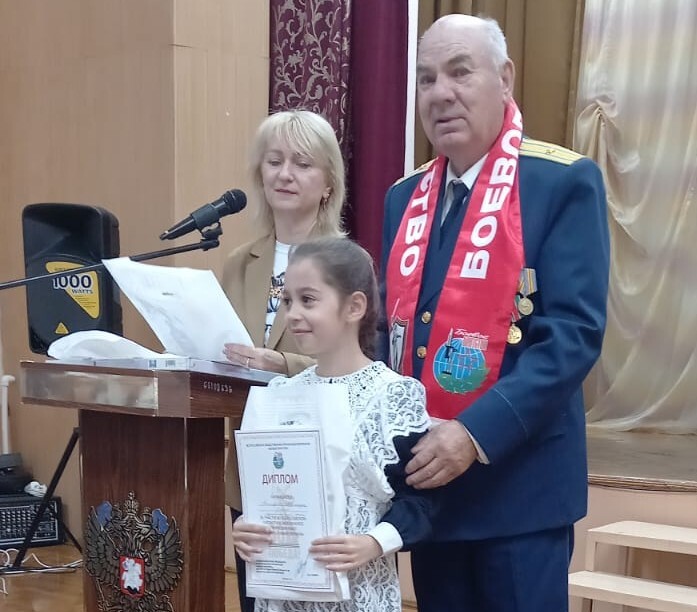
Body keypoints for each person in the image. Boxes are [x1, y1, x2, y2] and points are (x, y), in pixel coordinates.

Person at [379, 14, 610, 612]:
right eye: (427, 79)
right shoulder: (403, 199)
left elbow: (572, 336)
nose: (441, 93)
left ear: (504, 79)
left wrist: (475, 433)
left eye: (460, 72)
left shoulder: (560, 182)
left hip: (520, 490)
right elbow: (392, 335)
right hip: (433, 491)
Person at [233, 237, 436, 612]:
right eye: (287, 301)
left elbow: (423, 501)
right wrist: (246, 528)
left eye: (308, 300)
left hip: (358, 594)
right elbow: (270, 496)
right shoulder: (277, 394)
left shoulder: (393, 395)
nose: (292, 314)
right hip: (284, 596)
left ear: (354, 306)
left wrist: (373, 542)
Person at [221, 110, 345, 612]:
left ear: (328, 182)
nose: (284, 174)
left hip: (320, 459)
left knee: (315, 596)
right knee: (257, 597)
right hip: (250, 457)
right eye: (274, 162)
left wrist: (282, 365)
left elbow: (360, 366)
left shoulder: (345, 263)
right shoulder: (239, 262)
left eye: (302, 163)